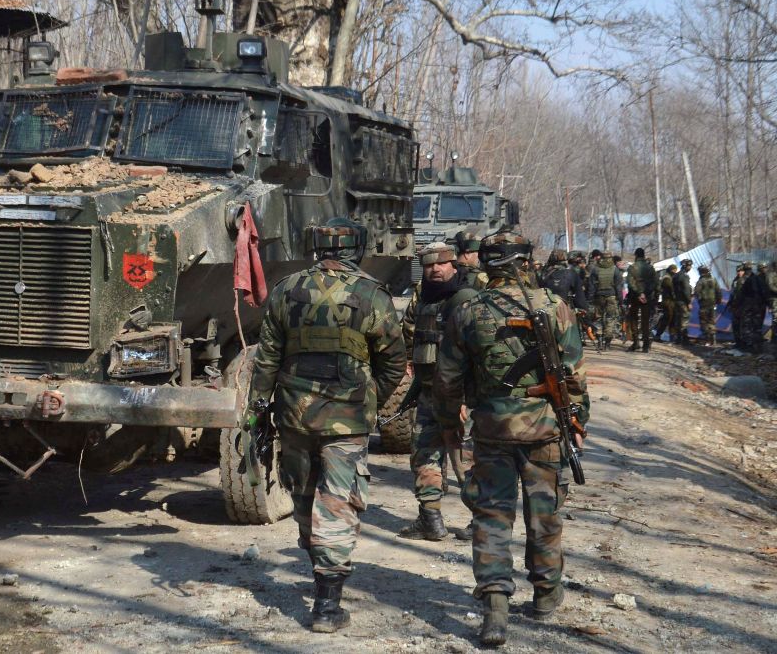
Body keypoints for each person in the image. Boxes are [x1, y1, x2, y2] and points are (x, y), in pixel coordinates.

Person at [433, 231, 590, 647]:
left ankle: (495, 608)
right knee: (545, 515)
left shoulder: (467, 311)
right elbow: (574, 377)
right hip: (545, 430)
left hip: (492, 430)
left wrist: (449, 423)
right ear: (526, 262)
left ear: (485, 263)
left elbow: (447, 379)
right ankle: (545, 593)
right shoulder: (555, 307)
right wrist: (577, 423)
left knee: (491, 517)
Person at [249, 217, 406, 633]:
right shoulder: (372, 294)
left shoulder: (286, 290)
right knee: (337, 502)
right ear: (358, 247)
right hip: (348, 417)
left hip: (294, 413)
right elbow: (393, 361)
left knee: (303, 493)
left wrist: (257, 407)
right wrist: (370, 397)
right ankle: (327, 602)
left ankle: (317, 566)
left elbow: (266, 358)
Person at [398, 242, 477, 542]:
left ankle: (480, 521)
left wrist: (464, 398)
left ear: (453, 266)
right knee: (424, 456)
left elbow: (475, 351)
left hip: (458, 397)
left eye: (441, 265)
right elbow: (411, 331)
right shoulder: (424, 298)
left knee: (464, 461)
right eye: (429, 265)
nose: (434, 270)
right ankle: (430, 518)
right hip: (429, 392)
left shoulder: (465, 298)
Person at [625, 247, 658, 352]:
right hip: (647, 297)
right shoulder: (650, 268)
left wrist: (639, 293)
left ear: (636, 255)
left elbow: (630, 282)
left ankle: (635, 343)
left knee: (633, 319)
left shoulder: (632, 268)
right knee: (645, 321)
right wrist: (646, 293)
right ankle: (646, 345)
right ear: (643, 256)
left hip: (635, 297)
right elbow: (655, 283)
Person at [588, 250, 622, 347]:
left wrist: (590, 299)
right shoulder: (615, 270)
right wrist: (620, 300)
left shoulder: (595, 269)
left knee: (598, 318)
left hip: (598, 297)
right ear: (611, 258)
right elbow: (618, 287)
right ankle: (607, 342)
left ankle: (599, 340)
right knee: (610, 318)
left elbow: (591, 286)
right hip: (611, 297)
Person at [739, 263, 768, 352]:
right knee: (757, 325)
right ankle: (758, 346)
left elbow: (741, 294)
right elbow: (764, 292)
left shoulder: (744, 279)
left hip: (749, 305)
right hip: (758, 305)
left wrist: (738, 305)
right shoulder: (758, 278)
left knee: (747, 325)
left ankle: (750, 345)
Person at [694, 265, 718, 346]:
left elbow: (696, 292)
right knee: (712, 321)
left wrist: (700, 299)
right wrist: (718, 301)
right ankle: (713, 340)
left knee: (704, 322)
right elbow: (718, 291)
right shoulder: (714, 280)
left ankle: (707, 340)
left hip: (704, 304)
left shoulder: (701, 281)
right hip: (712, 304)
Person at [655, 264, 679, 342]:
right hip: (668, 301)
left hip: (671, 301)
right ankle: (658, 335)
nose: (675, 272)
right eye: (674, 270)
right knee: (667, 318)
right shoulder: (667, 278)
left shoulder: (670, 277)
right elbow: (670, 289)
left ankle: (672, 336)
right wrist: (675, 296)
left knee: (672, 319)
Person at [672, 259, 693, 344]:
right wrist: (689, 302)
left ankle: (678, 338)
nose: (690, 267)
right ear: (686, 266)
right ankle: (685, 339)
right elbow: (686, 290)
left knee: (678, 319)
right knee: (684, 319)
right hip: (683, 301)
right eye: (689, 265)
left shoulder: (676, 276)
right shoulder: (684, 276)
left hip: (677, 300)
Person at [730, 264, 748, 348]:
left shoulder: (746, 280)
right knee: (735, 324)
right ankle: (738, 342)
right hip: (735, 305)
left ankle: (744, 342)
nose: (739, 273)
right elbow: (733, 293)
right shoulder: (735, 280)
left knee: (743, 324)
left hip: (743, 305)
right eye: (738, 271)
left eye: (740, 271)